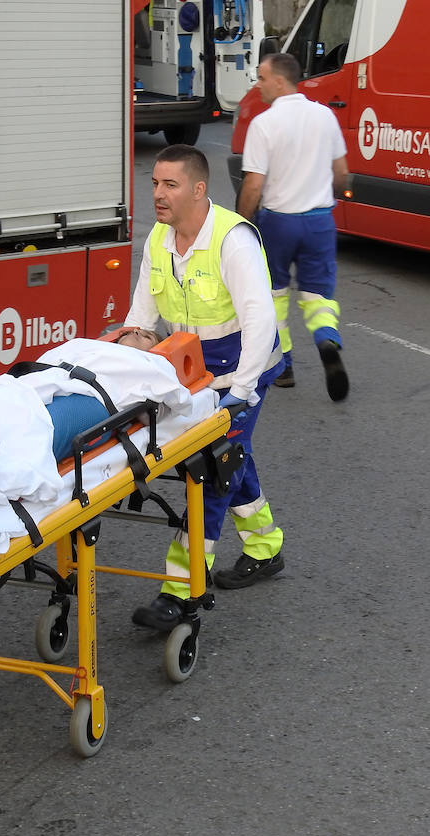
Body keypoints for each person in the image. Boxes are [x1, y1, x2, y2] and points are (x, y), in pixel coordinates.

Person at [125, 144, 285, 631]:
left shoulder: (231, 239)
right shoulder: (159, 238)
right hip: (194, 368)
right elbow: (142, 312)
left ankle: (179, 590)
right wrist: (124, 363)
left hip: (242, 367)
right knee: (234, 459)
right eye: (154, 183)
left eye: (169, 184)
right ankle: (264, 546)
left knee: (213, 467)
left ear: (199, 190)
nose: (157, 193)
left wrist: (244, 389)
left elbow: (258, 318)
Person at [237, 52, 349, 401]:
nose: (257, 84)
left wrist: (242, 225)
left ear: (280, 81)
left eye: (261, 78)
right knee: (319, 295)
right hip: (319, 221)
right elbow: (342, 174)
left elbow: (254, 185)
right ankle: (326, 338)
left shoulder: (264, 124)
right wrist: (323, 196)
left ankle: (284, 367)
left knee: (275, 296)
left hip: (278, 223)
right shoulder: (325, 116)